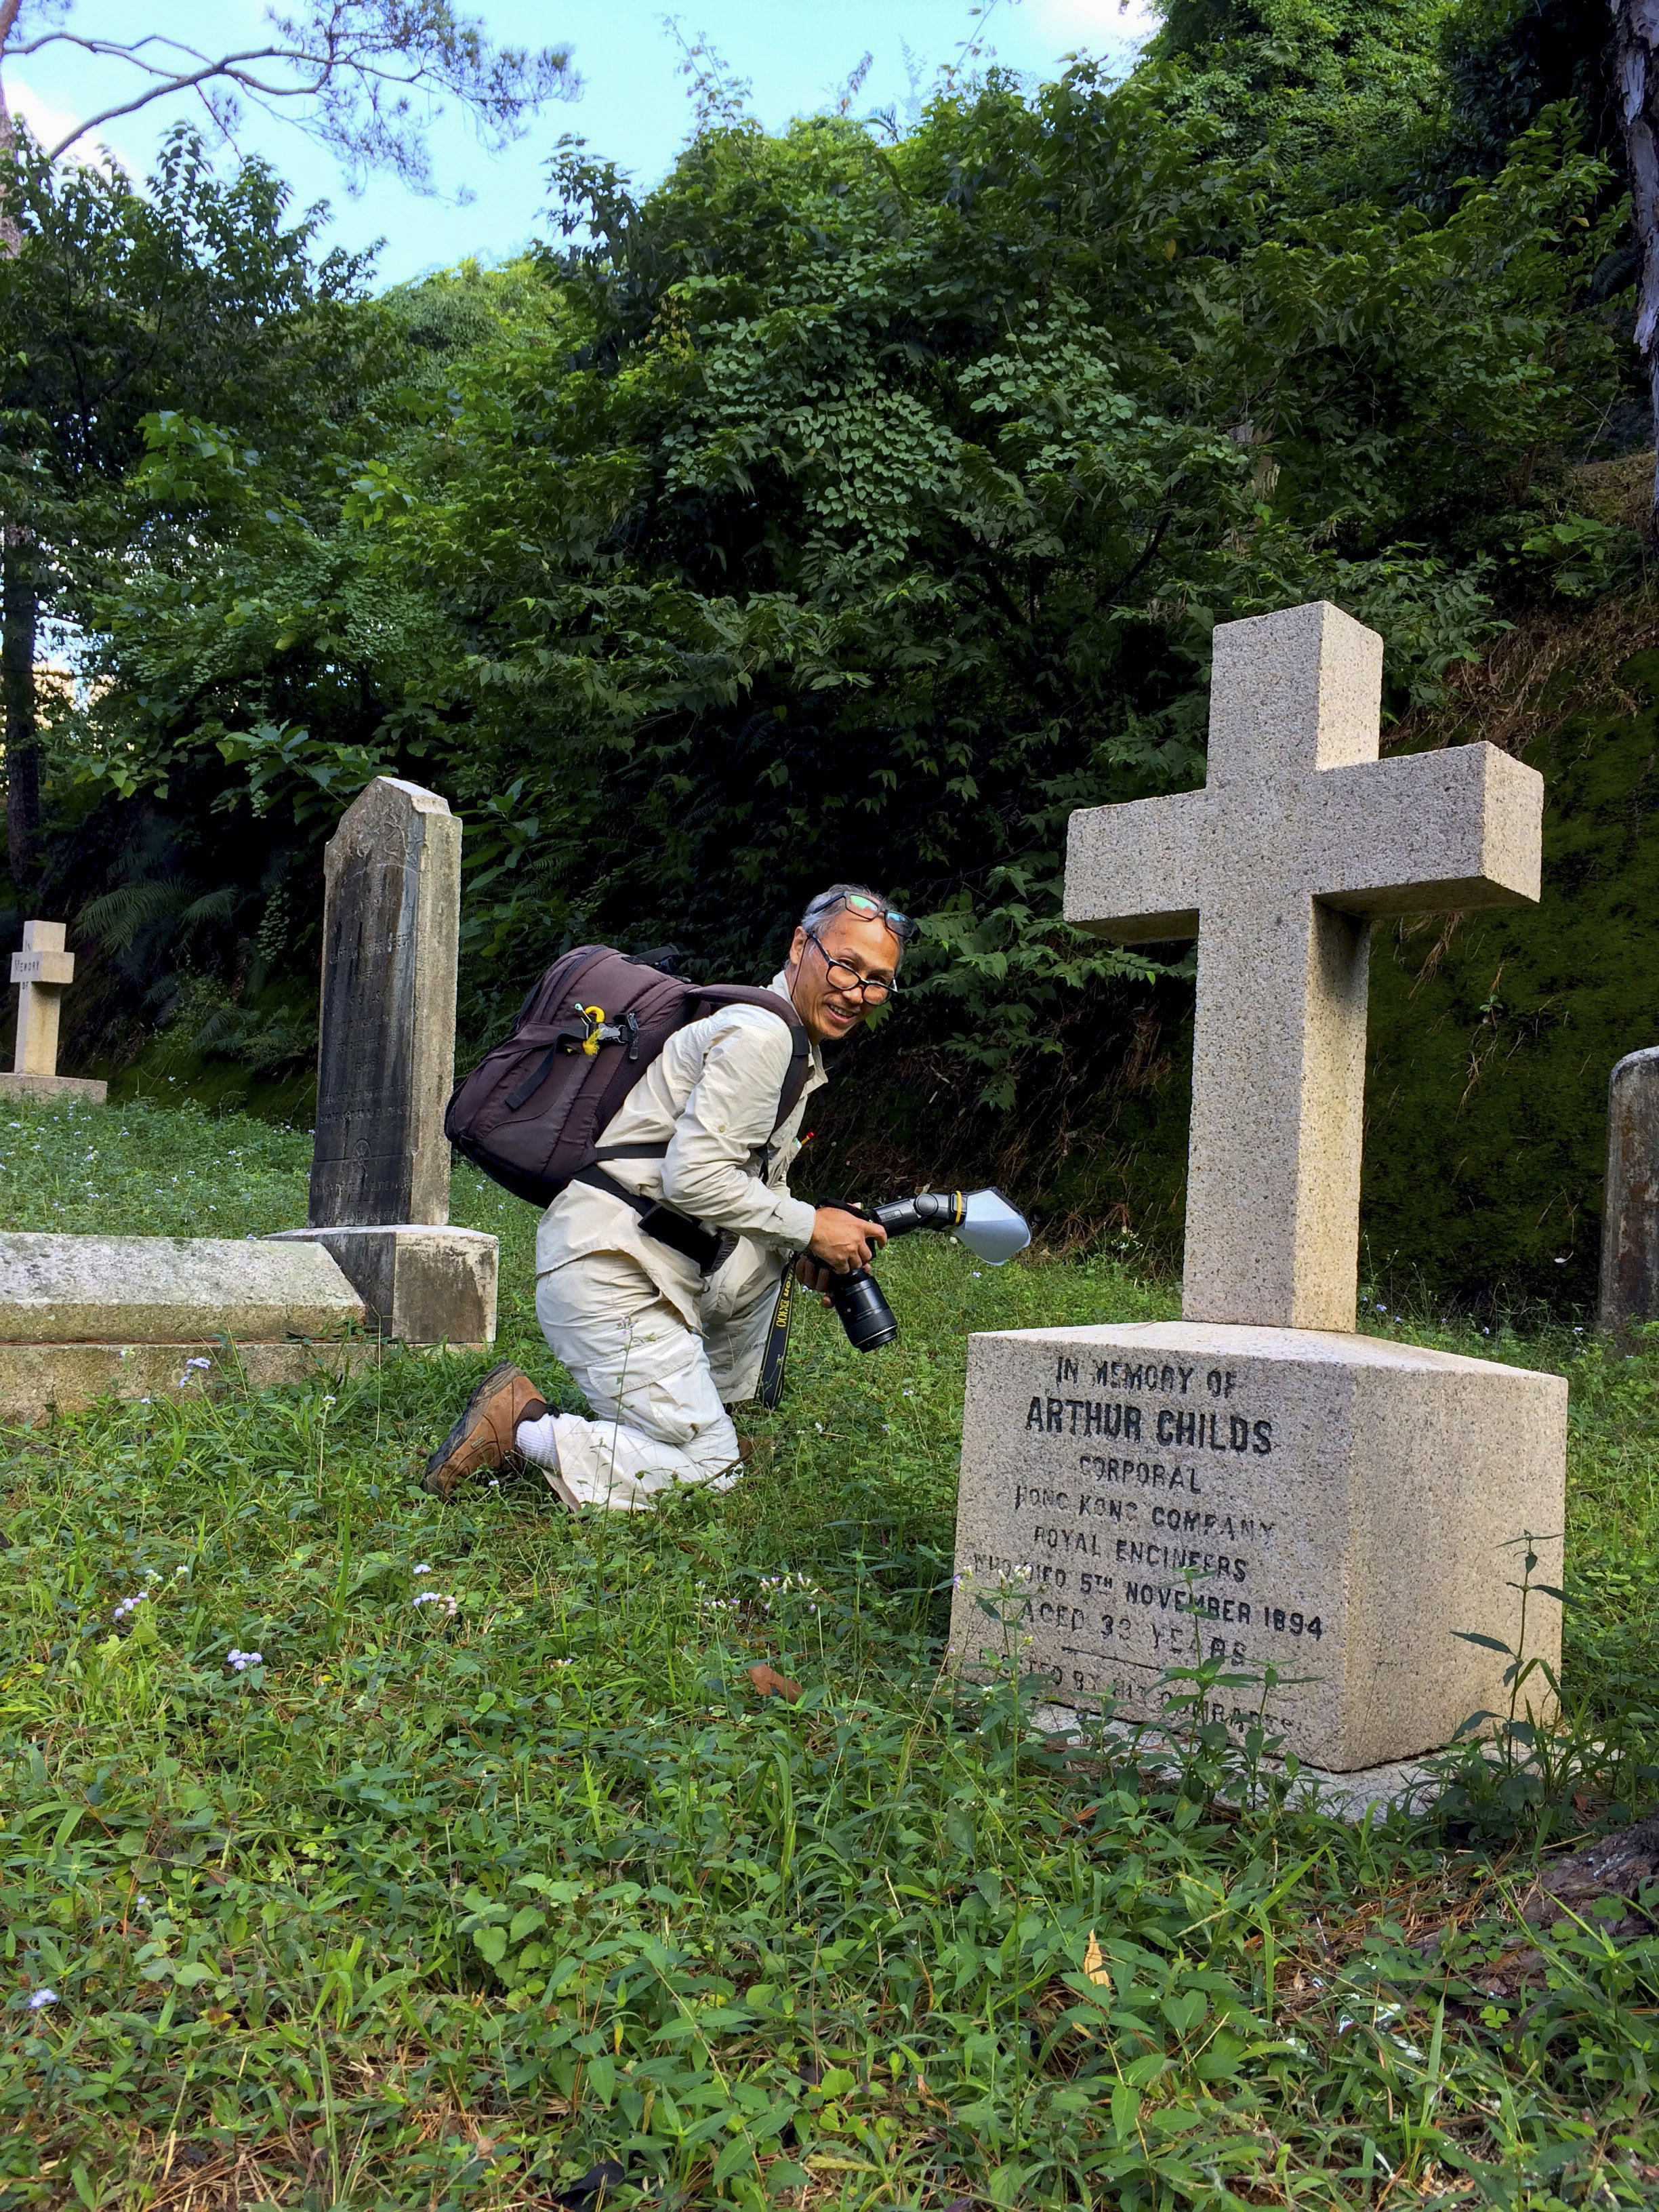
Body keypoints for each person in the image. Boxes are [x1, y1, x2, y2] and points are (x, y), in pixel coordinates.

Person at [422, 885, 914, 1510]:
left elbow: (756, 1193)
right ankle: (522, 1428)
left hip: (635, 1261)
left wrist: (802, 1240)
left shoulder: (790, 1044)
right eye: (846, 966)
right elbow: (694, 1181)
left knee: (774, 1245)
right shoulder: (762, 1037)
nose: (857, 993)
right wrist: (808, 1227)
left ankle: (715, 1416)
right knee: (711, 1472)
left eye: (878, 982)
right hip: (610, 1276)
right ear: (800, 945)